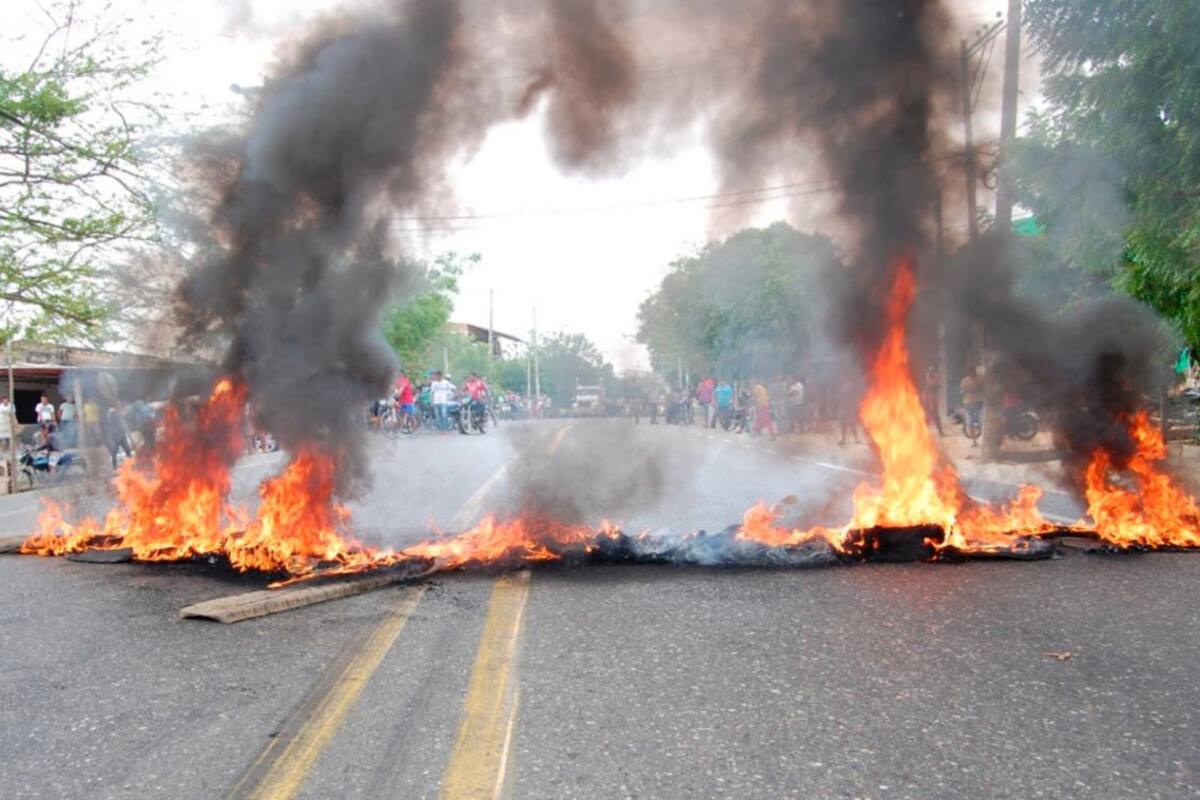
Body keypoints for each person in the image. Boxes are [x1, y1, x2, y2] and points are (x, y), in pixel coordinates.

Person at [960, 367, 984, 446]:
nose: (971, 373)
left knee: (981, 422)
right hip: (968, 404)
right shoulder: (965, 381)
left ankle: (981, 440)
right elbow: (962, 392)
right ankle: (974, 441)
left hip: (978, 403)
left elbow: (983, 388)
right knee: (970, 423)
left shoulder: (980, 379)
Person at [837, 375, 861, 446]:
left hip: (848, 409)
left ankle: (856, 439)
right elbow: (840, 399)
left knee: (851, 425)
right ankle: (843, 439)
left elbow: (853, 398)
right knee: (843, 425)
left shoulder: (849, 386)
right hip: (843, 409)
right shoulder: (842, 388)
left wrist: (852, 408)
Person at [922, 364, 944, 436]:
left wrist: (934, 387)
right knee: (927, 416)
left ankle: (940, 432)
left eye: (932, 371)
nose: (931, 372)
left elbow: (937, 386)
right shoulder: (927, 377)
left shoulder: (936, 378)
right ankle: (924, 432)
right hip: (928, 400)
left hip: (934, 400)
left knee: (936, 416)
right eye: (930, 371)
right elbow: (928, 387)